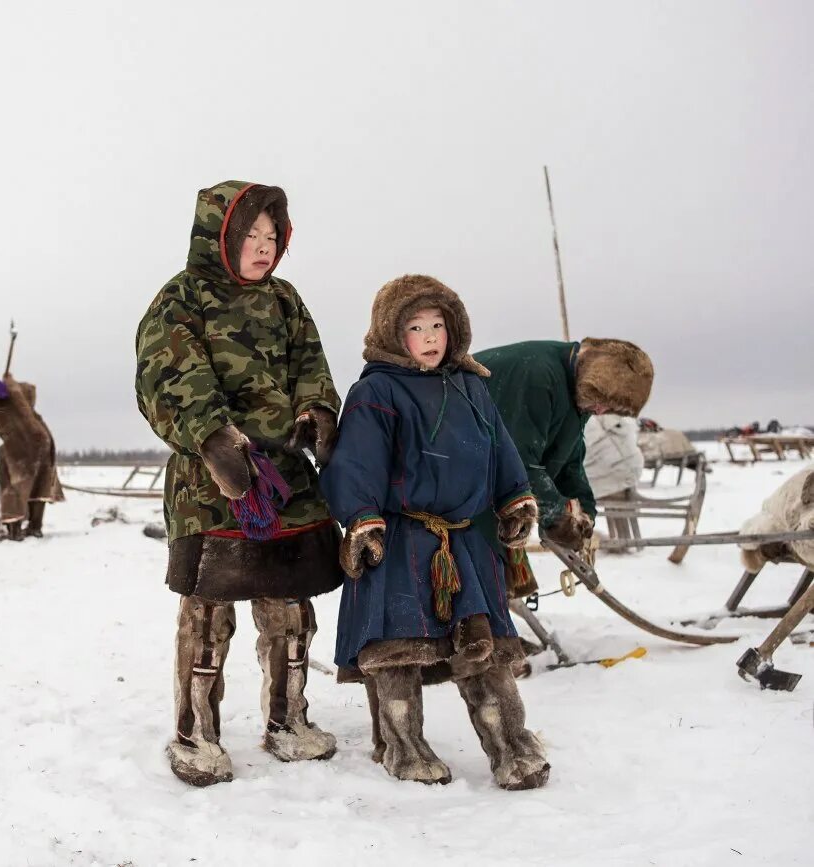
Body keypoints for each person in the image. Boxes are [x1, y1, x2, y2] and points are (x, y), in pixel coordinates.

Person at [135, 180, 342, 787]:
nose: (263, 246)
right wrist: (213, 438)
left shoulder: (285, 300)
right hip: (213, 481)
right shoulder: (182, 297)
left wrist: (318, 411)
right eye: (250, 235)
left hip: (285, 479)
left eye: (272, 236)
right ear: (219, 237)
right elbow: (167, 373)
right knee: (209, 613)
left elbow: (311, 363)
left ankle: (288, 719)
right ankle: (195, 733)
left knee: (290, 610)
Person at [321, 274, 548, 790]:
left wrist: (514, 497)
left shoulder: (471, 386)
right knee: (400, 652)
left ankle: (512, 746)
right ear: (391, 334)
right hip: (401, 541)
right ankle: (403, 748)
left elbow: (500, 449)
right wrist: (362, 518)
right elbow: (355, 463)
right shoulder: (375, 390)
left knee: (485, 653)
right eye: (416, 327)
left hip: (465, 541)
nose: (429, 337)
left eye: (438, 325)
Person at [471, 336, 654, 593]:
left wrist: (583, 510)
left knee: (492, 558)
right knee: (471, 559)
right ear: (593, 380)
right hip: (450, 476)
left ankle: (495, 627)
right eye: (601, 401)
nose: (600, 412)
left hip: (482, 486)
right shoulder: (538, 376)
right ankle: (477, 629)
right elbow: (516, 461)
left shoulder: (577, 395)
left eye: (610, 408)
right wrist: (558, 518)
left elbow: (568, 463)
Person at [0, 371, 63, 540]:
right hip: (42, 438)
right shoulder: (18, 392)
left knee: (12, 485)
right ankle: (35, 527)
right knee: (40, 483)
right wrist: (10, 383)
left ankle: (15, 531)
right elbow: (30, 390)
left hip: (19, 445)